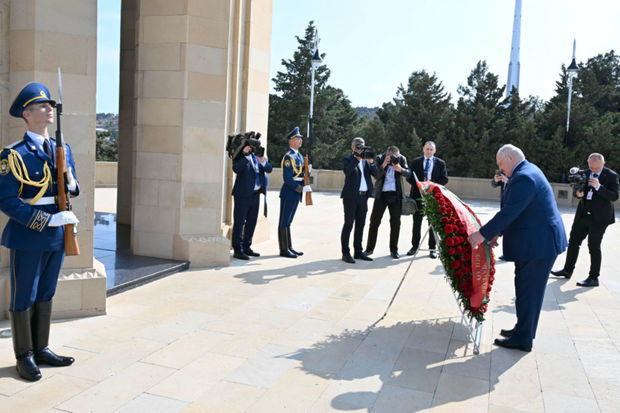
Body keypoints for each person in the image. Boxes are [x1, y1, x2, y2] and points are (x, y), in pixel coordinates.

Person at [0, 82, 80, 381]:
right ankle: (24, 355)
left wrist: (72, 182)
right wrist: (45, 221)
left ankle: (41, 347)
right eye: (42, 105)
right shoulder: (13, 154)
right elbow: (6, 200)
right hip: (30, 234)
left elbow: (70, 188)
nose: (49, 109)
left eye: (50, 105)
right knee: (25, 294)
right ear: (27, 113)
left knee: (47, 292)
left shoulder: (62, 148)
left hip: (59, 234)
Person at [468, 144, 567, 352]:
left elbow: (511, 211)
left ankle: (523, 339)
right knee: (525, 289)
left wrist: (482, 234)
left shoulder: (524, 177)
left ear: (511, 157)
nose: (501, 170)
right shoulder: (528, 170)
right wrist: (497, 232)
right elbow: (521, 210)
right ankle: (523, 330)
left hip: (539, 244)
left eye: (501, 164)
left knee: (529, 291)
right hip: (536, 242)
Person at [551, 153, 619, 287]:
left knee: (593, 246)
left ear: (603, 164)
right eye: (591, 167)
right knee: (573, 242)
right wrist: (578, 193)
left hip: (599, 217)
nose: (593, 170)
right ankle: (567, 270)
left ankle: (594, 278)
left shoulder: (611, 175)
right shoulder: (585, 173)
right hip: (583, 214)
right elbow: (577, 188)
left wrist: (599, 187)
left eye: (597, 168)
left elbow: (614, 196)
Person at [364, 146, 412, 259]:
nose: (394, 159)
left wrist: (400, 169)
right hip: (381, 195)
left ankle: (394, 250)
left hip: (395, 195)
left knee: (396, 223)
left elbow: (409, 173)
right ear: (387, 155)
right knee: (374, 222)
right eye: (391, 157)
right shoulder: (380, 158)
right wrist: (383, 165)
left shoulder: (402, 159)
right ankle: (369, 249)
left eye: (396, 157)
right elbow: (376, 175)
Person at [407, 141, 448, 258]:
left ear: (434, 151)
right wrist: (419, 185)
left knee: (433, 224)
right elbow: (409, 177)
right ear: (423, 149)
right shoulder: (416, 162)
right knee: (416, 223)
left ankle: (432, 248)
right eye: (427, 149)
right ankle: (414, 247)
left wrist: (431, 186)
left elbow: (444, 179)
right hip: (418, 196)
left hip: (433, 197)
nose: (429, 151)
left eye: (431, 149)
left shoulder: (440, 163)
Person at [340, 138, 379, 263]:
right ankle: (345, 253)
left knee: (360, 225)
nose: (361, 149)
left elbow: (377, 175)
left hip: (363, 197)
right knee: (348, 224)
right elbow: (347, 171)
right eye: (358, 146)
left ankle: (358, 251)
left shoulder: (366, 161)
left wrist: (372, 162)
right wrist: (356, 158)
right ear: (352, 147)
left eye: (362, 146)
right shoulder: (348, 159)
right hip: (350, 197)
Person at [231, 143, 272, 260]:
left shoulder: (257, 158)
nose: (251, 149)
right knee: (239, 222)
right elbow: (236, 169)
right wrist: (245, 156)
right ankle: (238, 250)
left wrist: (262, 160)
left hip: (255, 195)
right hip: (242, 196)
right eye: (249, 147)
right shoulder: (239, 157)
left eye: (252, 147)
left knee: (251, 222)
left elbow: (269, 169)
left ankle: (247, 246)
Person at [278, 127, 311, 258]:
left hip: (296, 192)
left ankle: (289, 247)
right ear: (291, 141)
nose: (300, 140)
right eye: (298, 138)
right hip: (289, 192)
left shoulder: (299, 156)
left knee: (289, 221)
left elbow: (303, 175)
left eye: (301, 138)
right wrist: (301, 188)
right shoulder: (288, 157)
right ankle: (283, 249)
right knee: (284, 221)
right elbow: (287, 179)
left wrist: (307, 184)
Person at [491, 170, 509, 260]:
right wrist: (495, 180)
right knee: (505, 227)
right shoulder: (503, 172)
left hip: (512, 204)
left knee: (508, 228)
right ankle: (506, 253)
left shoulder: (517, 173)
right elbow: (493, 184)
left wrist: (508, 181)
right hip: (503, 203)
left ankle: (508, 253)